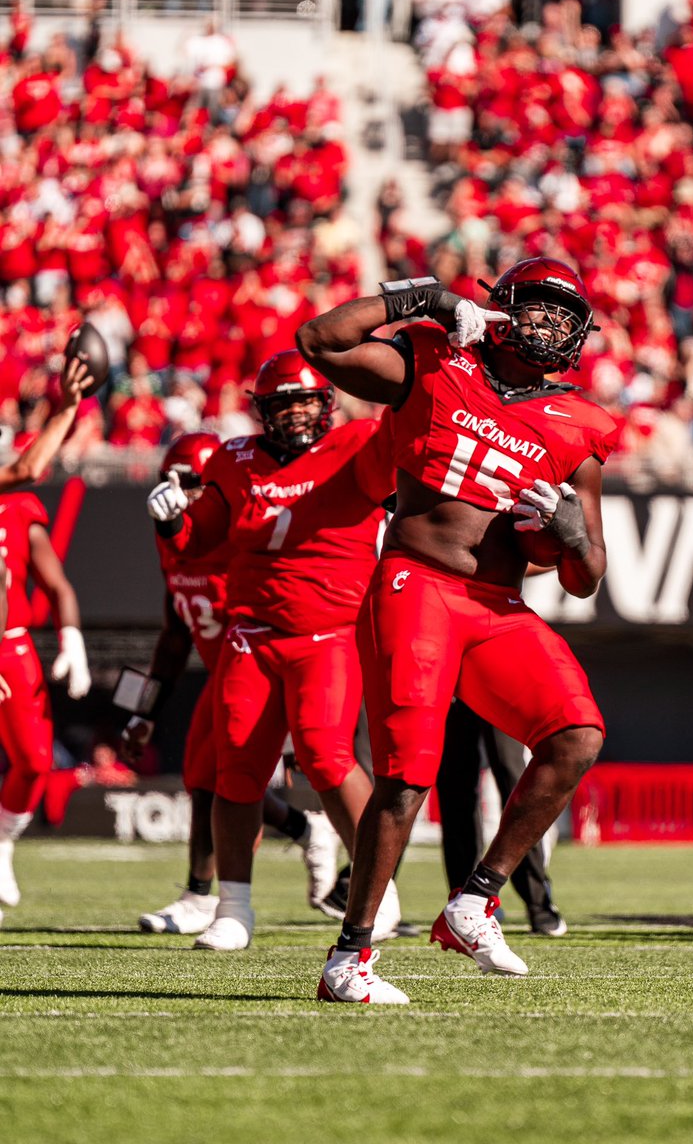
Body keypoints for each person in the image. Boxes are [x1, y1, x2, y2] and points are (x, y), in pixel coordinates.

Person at [295, 256, 618, 1004]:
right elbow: (320, 340)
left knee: (577, 734)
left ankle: (475, 899)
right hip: (418, 582)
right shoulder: (438, 358)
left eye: (563, 317)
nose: (547, 325)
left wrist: (573, 534)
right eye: (534, 307)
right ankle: (350, 957)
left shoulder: (581, 424)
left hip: (497, 604)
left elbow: (585, 576)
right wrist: (427, 298)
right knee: (407, 777)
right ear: (500, 307)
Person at [146, 351, 400, 950]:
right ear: (263, 411)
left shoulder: (361, 444)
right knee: (234, 765)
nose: (295, 413)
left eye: (306, 400)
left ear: (327, 405)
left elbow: (413, 438)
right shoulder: (234, 461)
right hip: (252, 634)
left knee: (327, 755)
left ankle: (378, 890)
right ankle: (233, 907)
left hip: (329, 631)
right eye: (283, 403)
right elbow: (199, 537)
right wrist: (172, 521)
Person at [126, 432, 340, 937]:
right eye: (171, 481)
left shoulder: (240, 535)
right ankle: (303, 829)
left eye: (194, 483)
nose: (182, 493)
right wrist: (141, 709)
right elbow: (175, 634)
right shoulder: (171, 536)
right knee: (206, 777)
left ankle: (204, 897)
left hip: (264, 664)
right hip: (224, 671)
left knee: (207, 775)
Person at [0, 358, 94, 918]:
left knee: (35, 760)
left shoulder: (16, 506)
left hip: (10, 642)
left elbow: (56, 584)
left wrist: (73, 641)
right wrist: (64, 410)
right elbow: (32, 465)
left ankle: (4, 840)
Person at [437, 699, 567, 936]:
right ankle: (465, 895)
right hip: (450, 681)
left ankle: (537, 900)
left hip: (495, 680)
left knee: (513, 775)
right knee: (455, 782)